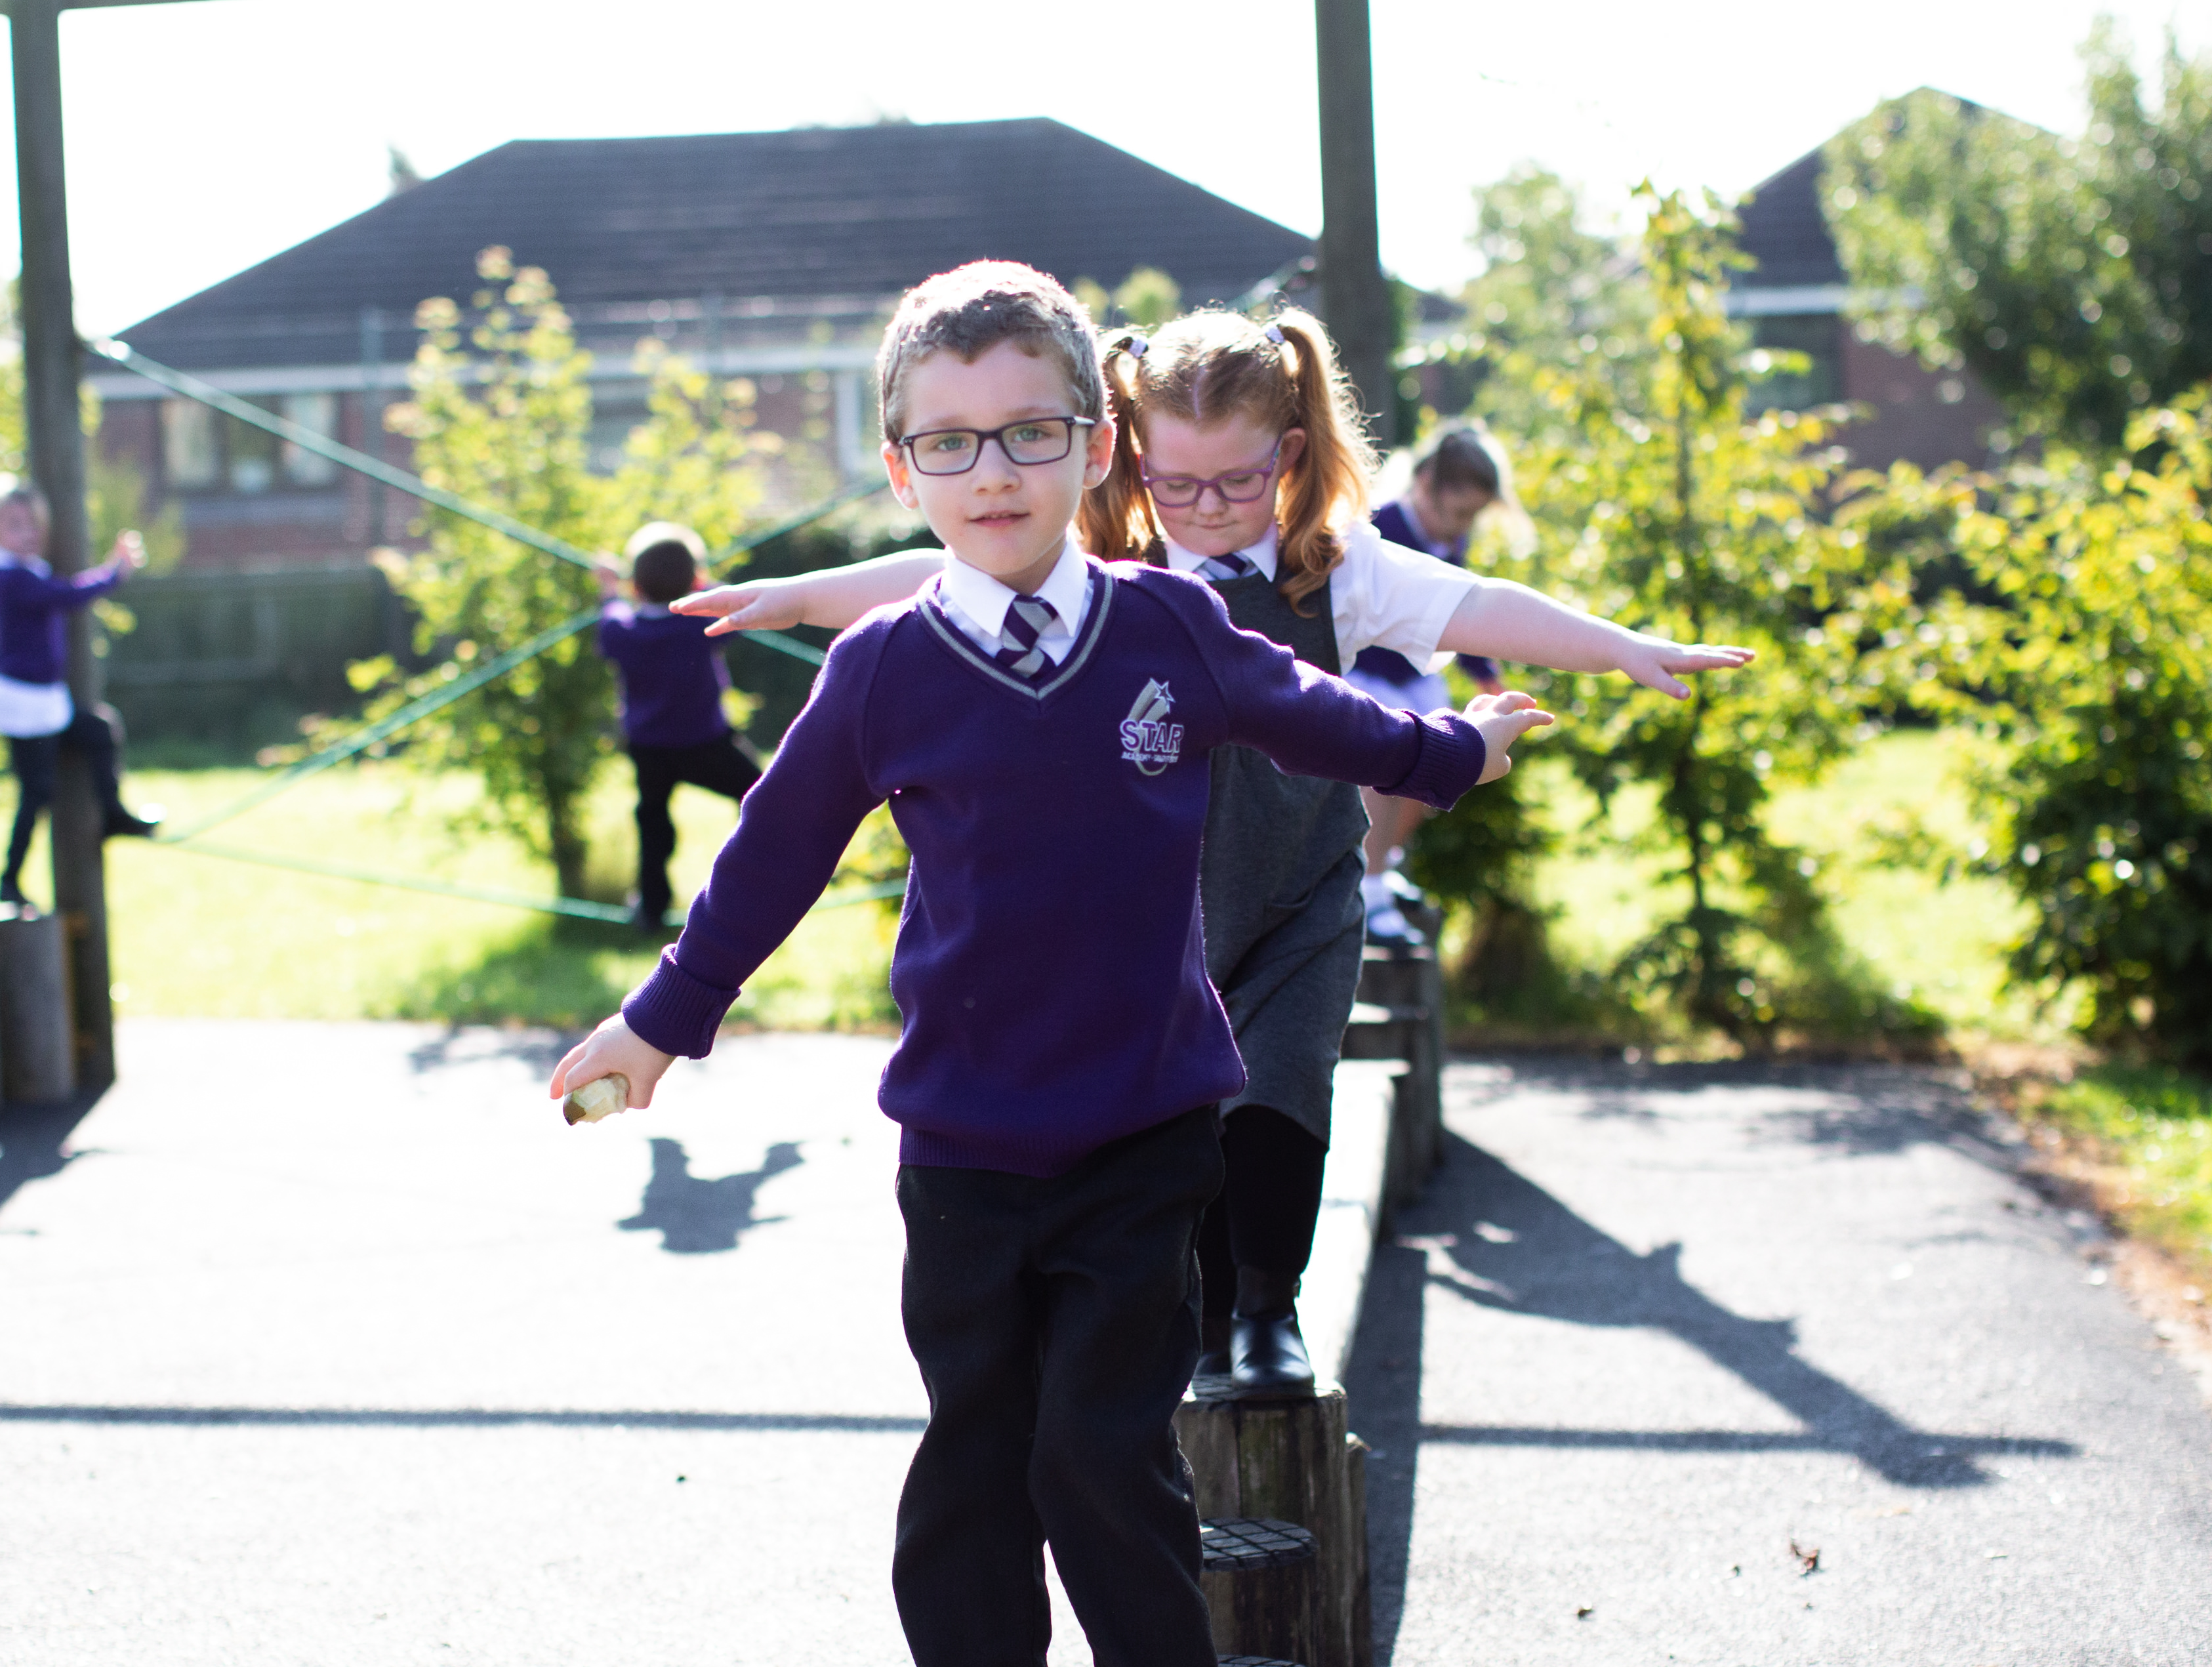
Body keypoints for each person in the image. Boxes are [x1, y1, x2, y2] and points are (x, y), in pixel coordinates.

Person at [549, 263, 1553, 1667]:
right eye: (949, 445)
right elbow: (771, 856)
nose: (993, 470)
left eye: (1029, 429)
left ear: (1098, 447)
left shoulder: (1169, 628)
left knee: (1104, 1460)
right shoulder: (883, 673)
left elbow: (1319, 720)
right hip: (962, 1153)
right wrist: (662, 1020)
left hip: (1145, 1132)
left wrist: (1456, 750)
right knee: (970, 1480)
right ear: (901, 472)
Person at [679, 314, 1747, 1400]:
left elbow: (1479, 605)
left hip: (1298, 890)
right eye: (1176, 485)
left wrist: (1621, 648)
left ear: (1286, 456)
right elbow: (940, 567)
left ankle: (1271, 1309)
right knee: (1175, 1130)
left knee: (1282, 1096)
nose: (1204, 509)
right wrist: (806, 596)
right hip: (1165, 904)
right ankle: (1198, 1316)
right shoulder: (1114, 569)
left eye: (1233, 483)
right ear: (1134, 462)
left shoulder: (1332, 567)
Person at [1351, 423, 1523, 943]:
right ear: (1426, 483)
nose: (1462, 528)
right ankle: (1371, 888)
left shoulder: (1449, 537)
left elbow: (1459, 606)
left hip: (1413, 674)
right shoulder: (1380, 525)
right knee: (1385, 770)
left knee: (1445, 770)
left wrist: (1484, 672)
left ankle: (1383, 859)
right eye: (1459, 512)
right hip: (1364, 670)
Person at [0, 475, 158, 907]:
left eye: (32, 524)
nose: (29, 534)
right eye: (16, 525)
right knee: (35, 793)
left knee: (99, 730)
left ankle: (112, 813)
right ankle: (9, 881)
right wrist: (114, 572)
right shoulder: (9, 577)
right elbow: (67, 595)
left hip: (47, 700)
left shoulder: (23, 572)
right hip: (24, 703)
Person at [595, 521, 762, 928]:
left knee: (653, 821)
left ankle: (651, 907)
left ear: (636, 587)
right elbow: (732, 604)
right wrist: (701, 583)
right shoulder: (699, 624)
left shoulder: (623, 630)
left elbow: (610, 615)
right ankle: (761, 883)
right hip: (703, 740)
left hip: (649, 746)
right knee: (760, 793)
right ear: (696, 580)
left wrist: (608, 589)